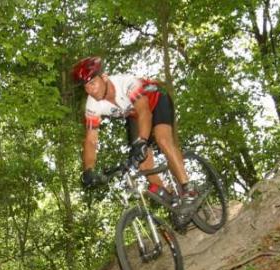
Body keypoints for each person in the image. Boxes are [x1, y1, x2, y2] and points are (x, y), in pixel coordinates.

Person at [72, 56, 195, 204]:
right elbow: (91, 140)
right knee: (142, 163)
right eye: (86, 87)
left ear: (104, 77)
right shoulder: (92, 105)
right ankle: (173, 202)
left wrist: (142, 140)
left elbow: (144, 111)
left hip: (155, 100)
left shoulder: (126, 83)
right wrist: (88, 170)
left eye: (93, 83)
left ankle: (188, 187)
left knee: (163, 139)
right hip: (134, 114)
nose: (90, 90)